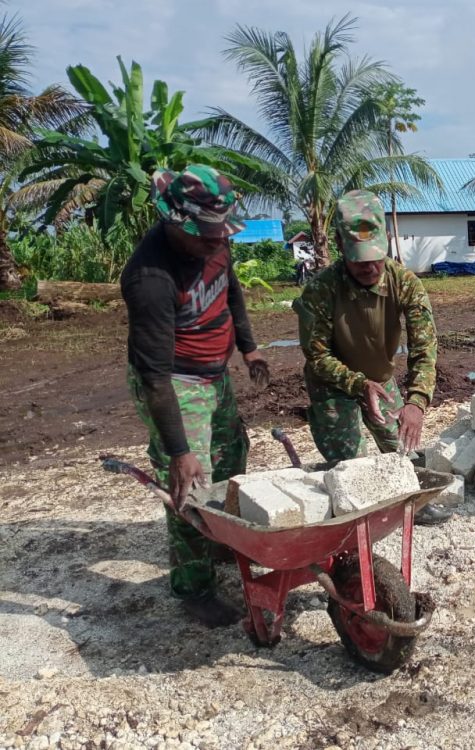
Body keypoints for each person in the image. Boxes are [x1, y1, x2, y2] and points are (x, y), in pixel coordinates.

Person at [120, 164, 269, 627]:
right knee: (191, 484)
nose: (217, 243)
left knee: (231, 459)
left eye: (221, 234)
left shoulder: (214, 242)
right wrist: (179, 450)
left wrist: (249, 348)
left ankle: (221, 542)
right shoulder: (150, 279)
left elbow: (232, 293)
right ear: (175, 223)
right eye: (207, 236)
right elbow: (155, 379)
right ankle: (193, 587)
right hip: (175, 382)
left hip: (215, 372)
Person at [293, 190, 451, 525]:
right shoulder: (320, 291)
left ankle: (410, 505)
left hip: (379, 378)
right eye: (358, 259)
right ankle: (361, 518)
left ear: (387, 243)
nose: (369, 267)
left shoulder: (404, 283)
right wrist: (356, 383)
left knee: (401, 448)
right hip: (333, 384)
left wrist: (416, 402)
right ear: (339, 245)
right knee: (355, 464)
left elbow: (425, 347)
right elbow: (316, 354)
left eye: (375, 258)